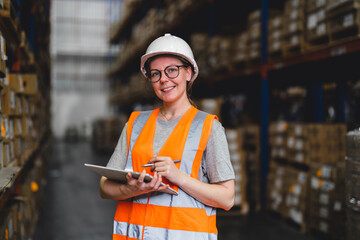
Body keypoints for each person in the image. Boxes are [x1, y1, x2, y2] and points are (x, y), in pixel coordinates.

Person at [99, 33, 235, 240]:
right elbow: (105, 187)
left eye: (172, 70)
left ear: (188, 73)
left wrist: (178, 177)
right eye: (155, 74)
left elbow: (227, 198)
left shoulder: (208, 127)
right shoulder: (135, 124)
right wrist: (132, 188)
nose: (164, 80)